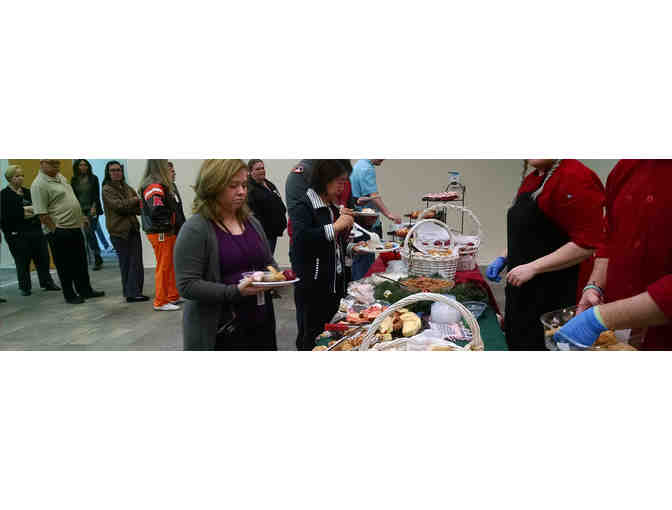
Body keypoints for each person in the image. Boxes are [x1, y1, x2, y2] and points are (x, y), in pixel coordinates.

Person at [485, 159, 606, 350]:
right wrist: (504, 256)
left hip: (554, 296)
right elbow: (528, 232)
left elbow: (587, 243)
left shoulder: (575, 177)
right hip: (522, 293)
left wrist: (534, 267)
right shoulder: (532, 179)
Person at [554, 159, 672, 349]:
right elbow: (609, 237)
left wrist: (598, 319)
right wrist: (594, 287)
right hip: (619, 331)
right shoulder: (626, 166)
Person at [175, 159, 277, 350]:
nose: (242, 191)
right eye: (233, 186)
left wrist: (275, 277)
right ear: (213, 186)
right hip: (221, 330)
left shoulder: (251, 222)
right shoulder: (196, 229)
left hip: (260, 322)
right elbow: (187, 285)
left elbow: (269, 263)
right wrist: (235, 291)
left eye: (244, 185)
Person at [285, 159, 353, 346]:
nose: (343, 188)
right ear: (324, 180)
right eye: (339, 182)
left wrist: (349, 246)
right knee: (311, 334)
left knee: (329, 334)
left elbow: (333, 244)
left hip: (332, 283)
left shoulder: (330, 205)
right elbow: (302, 239)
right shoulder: (304, 205)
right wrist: (336, 227)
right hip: (313, 286)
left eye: (345, 182)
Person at [31, 159, 105, 304]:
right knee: (65, 265)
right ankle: (69, 294)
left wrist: (81, 216)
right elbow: (41, 213)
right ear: (42, 163)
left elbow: (71, 199)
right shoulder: (39, 184)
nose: (56, 166)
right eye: (52, 163)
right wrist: (55, 230)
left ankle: (85, 290)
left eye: (57, 163)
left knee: (81, 262)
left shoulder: (61, 177)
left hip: (74, 226)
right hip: (59, 230)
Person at [1, 165, 60, 296]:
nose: (20, 178)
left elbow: (38, 209)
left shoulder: (28, 192)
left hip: (35, 230)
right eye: (17, 176)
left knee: (42, 258)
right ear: (9, 178)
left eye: (22, 175)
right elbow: (9, 216)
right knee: (22, 261)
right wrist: (26, 211)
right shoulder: (4, 195)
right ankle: (25, 287)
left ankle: (47, 282)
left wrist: (26, 211)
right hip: (17, 234)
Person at [139, 159, 183, 311]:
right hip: (161, 232)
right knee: (164, 266)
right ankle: (160, 301)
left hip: (165, 231)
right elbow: (156, 210)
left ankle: (171, 295)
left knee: (169, 264)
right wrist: (168, 224)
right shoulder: (154, 185)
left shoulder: (161, 184)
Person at [101, 161, 148, 303]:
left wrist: (131, 204)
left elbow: (139, 207)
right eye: (113, 170)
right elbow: (118, 206)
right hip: (119, 231)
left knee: (137, 262)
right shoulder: (107, 189)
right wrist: (133, 200)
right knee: (126, 263)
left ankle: (136, 292)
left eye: (118, 170)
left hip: (133, 228)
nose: (116, 172)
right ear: (108, 173)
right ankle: (131, 294)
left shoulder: (127, 188)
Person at [349, 159, 401, 281]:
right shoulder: (367, 168)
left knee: (359, 262)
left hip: (358, 223)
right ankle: (361, 289)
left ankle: (357, 287)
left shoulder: (359, 164)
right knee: (364, 266)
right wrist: (389, 214)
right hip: (367, 224)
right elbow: (373, 196)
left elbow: (358, 197)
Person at [246, 159, 287, 256]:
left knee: (269, 258)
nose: (261, 171)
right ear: (250, 172)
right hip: (263, 236)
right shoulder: (250, 189)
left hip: (273, 233)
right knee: (263, 261)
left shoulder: (269, 184)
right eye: (257, 169)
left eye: (262, 168)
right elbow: (252, 214)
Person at [71, 159, 104, 270]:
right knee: (88, 233)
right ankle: (96, 256)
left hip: (93, 209)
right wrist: (80, 212)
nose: (83, 167)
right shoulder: (74, 180)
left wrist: (94, 208)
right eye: (81, 165)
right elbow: (74, 196)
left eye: (85, 165)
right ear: (77, 167)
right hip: (81, 210)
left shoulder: (93, 178)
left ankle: (97, 256)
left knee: (90, 232)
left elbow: (96, 194)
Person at [167, 161, 186, 236]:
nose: (174, 174)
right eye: (172, 171)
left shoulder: (173, 186)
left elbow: (179, 208)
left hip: (180, 227)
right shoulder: (163, 189)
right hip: (171, 231)